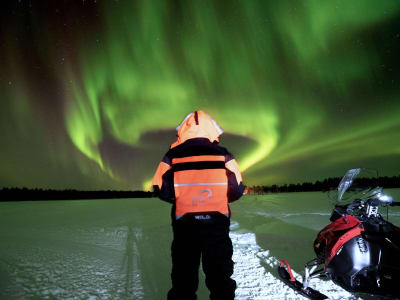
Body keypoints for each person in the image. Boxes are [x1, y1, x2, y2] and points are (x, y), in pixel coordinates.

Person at [152, 110, 245, 300]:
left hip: (185, 227)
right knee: (221, 279)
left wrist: (182, 196)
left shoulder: (172, 156)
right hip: (217, 226)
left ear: (184, 130)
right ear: (212, 129)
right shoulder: (224, 156)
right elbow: (237, 189)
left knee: (183, 280)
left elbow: (160, 188)